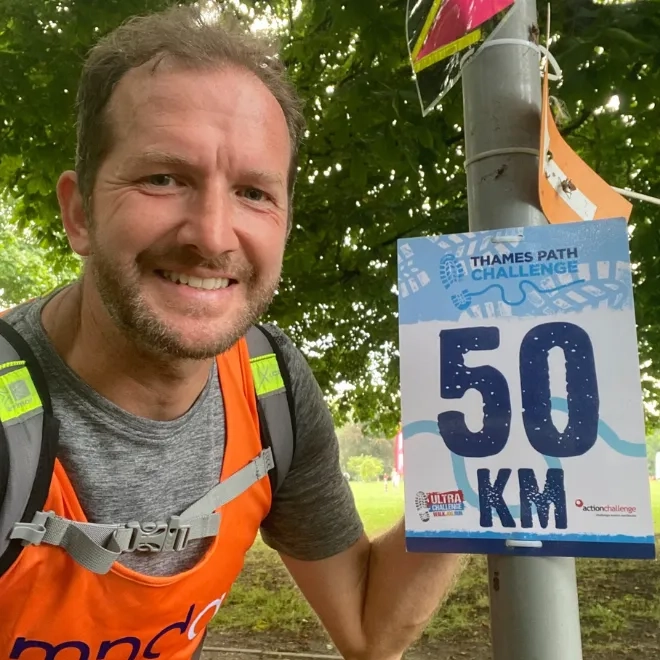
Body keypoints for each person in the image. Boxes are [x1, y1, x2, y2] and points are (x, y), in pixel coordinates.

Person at [0, 6, 461, 659]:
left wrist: (484, 462)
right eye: (164, 178)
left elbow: (367, 626)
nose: (213, 236)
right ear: (80, 214)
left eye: (253, 192)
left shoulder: (270, 388)